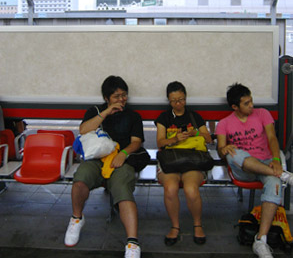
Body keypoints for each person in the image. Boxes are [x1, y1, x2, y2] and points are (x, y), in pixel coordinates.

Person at [64, 75, 144, 258]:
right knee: (80, 180)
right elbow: (83, 130)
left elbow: (136, 142)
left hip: (121, 160)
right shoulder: (95, 111)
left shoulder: (133, 116)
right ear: (107, 98)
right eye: (116, 96)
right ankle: (77, 219)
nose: (121, 100)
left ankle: (132, 243)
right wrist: (107, 112)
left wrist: (123, 154)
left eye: (124, 95)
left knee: (123, 190)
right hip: (96, 159)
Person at [215, 83, 293, 258]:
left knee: (274, 186)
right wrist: (224, 149)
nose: (251, 106)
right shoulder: (224, 124)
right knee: (233, 153)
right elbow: (221, 150)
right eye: (246, 103)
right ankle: (283, 175)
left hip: (267, 163)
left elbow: (272, 138)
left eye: (251, 101)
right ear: (235, 106)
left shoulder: (263, 114)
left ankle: (260, 240)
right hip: (245, 169)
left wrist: (275, 159)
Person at [155, 81, 212, 246]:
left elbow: (208, 139)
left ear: (186, 98)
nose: (178, 104)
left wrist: (196, 133)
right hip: (170, 160)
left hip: (192, 160)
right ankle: (175, 226)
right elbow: (160, 143)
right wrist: (174, 139)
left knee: (191, 189)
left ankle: (197, 224)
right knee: (171, 188)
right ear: (169, 101)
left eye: (181, 99)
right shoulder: (164, 118)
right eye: (174, 101)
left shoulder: (194, 116)